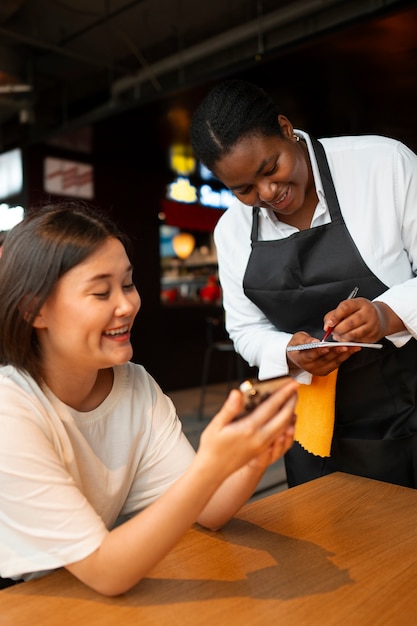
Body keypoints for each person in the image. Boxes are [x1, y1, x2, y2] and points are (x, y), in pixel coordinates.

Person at [0, 201, 298, 595]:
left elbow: (208, 509)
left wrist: (250, 458)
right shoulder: (11, 409)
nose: (127, 305)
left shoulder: (134, 385)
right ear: (34, 310)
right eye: (100, 292)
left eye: (127, 284)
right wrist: (210, 464)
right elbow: (107, 573)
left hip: (81, 588)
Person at [190, 78, 417, 489]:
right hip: (308, 430)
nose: (268, 192)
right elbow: (244, 330)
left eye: (270, 168)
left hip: (407, 411)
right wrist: (288, 351)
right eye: (244, 189)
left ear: (284, 128)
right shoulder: (231, 231)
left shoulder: (382, 165)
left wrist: (385, 315)